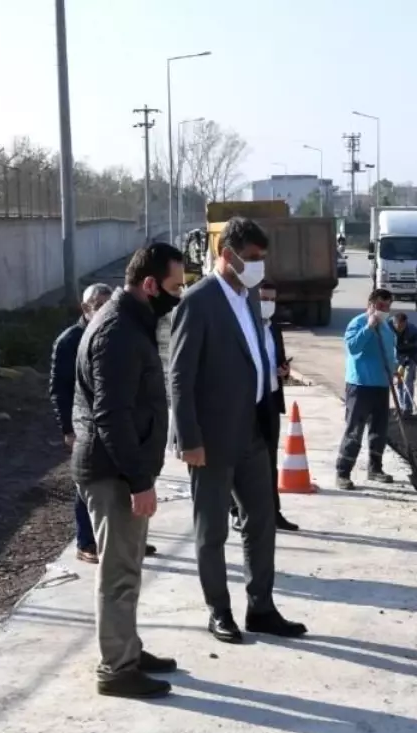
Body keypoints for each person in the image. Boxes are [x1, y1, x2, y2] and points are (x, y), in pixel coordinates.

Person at [170, 216, 308, 644]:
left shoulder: (248, 298)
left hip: (252, 432)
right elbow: (180, 376)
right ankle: (219, 611)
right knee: (212, 530)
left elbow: (253, 355)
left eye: (261, 259)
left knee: (261, 522)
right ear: (225, 255)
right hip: (210, 440)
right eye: (251, 259)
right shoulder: (198, 301)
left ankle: (261, 607)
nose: (258, 267)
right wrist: (188, 439)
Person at [72, 243, 184, 698]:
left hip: (123, 467)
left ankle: (128, 648)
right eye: (175, 287)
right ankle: (116, 669)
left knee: (129, 568)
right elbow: (111, 415)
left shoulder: (132, 322)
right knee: (118, 572)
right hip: (113, 471)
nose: (179, 296)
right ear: (150, 285)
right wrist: (139, 481)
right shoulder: (117, 331)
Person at [230, 280, 298, 533]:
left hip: (270, 401)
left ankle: (273, 512)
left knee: (269, 460)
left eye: (272, 299)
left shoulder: (274, 329)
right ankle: (237, 511)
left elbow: (278, 362)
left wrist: (284, 371)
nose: (268, 304)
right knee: (240, 460)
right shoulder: (244, 327)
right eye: (264, 299)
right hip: (247, 404)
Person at [50, 283, 110, 564]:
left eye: (108, 304)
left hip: (110, 422)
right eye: (98, 304)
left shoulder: (113, 333)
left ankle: (116, 539)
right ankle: (86, 541)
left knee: (115, 482)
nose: (103, 310)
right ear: (85, 308)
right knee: (85, 483)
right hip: (82, 424)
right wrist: (67, 429)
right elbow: (59, 388)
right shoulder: (69, 341)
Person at [335, 289, 397, 490]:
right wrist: (369, 328)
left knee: (379, 430)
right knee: (355, 430)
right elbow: (353, 347)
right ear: (370, 305)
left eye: (387, 306)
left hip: (381, 385)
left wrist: (395, 369)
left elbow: (389, 353)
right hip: (360, 385)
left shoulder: (388, 328)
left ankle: (375, 468)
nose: (384, 310)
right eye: (380, 306)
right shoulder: (357, 323)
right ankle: (343, 472)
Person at [389, 312, 417, 416]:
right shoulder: (387, 328)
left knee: (408, 381)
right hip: (395, 356)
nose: (401, 328)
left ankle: (408, 408)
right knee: (399, 382)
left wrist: (404, 364)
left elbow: (414, 349)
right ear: (394, 323)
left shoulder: (412, 330)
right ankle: (401, 406)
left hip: (411, 356)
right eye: (399, 326)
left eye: (403, 325)